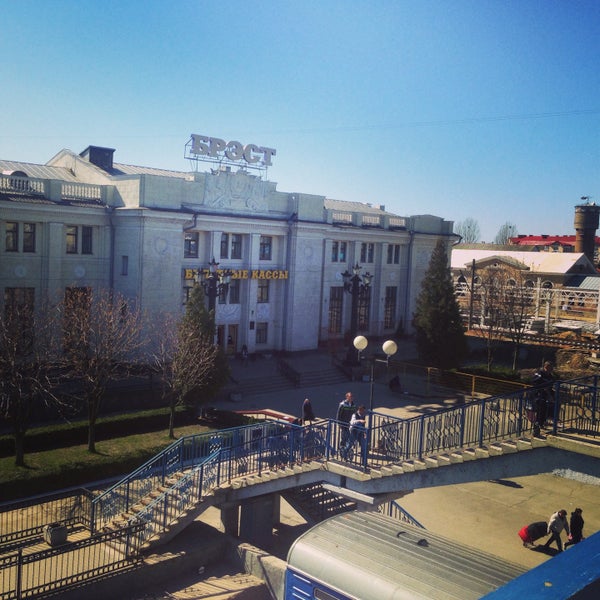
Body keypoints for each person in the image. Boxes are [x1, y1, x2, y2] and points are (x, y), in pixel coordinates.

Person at [531, 361, 555, 430]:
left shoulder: (550, 376)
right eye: (550, 368)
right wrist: (542, 387)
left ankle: (542, 422)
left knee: (546, 409)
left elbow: (550, 386)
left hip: (546, 395)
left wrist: (551, 395)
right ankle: (537, 424)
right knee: (540, 409)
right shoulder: (539, 373)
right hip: (538, 395)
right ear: (546, 367)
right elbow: (534, 381)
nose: (551, 370)